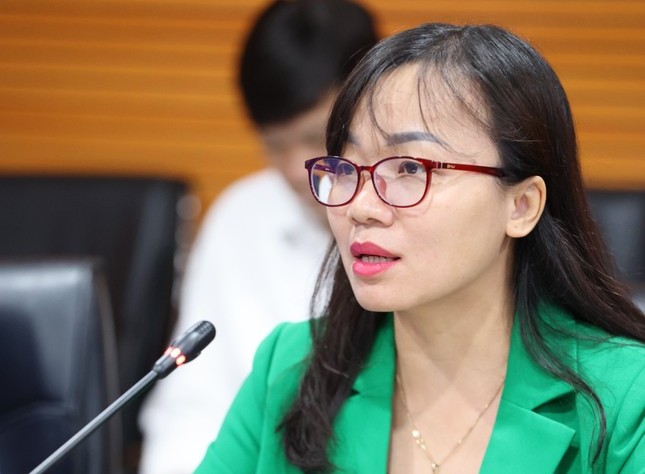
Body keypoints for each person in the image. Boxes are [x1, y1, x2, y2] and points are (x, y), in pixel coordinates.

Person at [195, 23, 645, 473]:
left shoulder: (627, 398)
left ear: (522, 205)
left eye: (410, 168)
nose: (361, 207)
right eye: (347, 167)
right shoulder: (290, 367)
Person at [137, 1, 378, 473]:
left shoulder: (418, 216)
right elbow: (193, 404)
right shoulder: (241, 216)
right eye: (273, 145)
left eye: (314, 137)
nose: (294, 170)